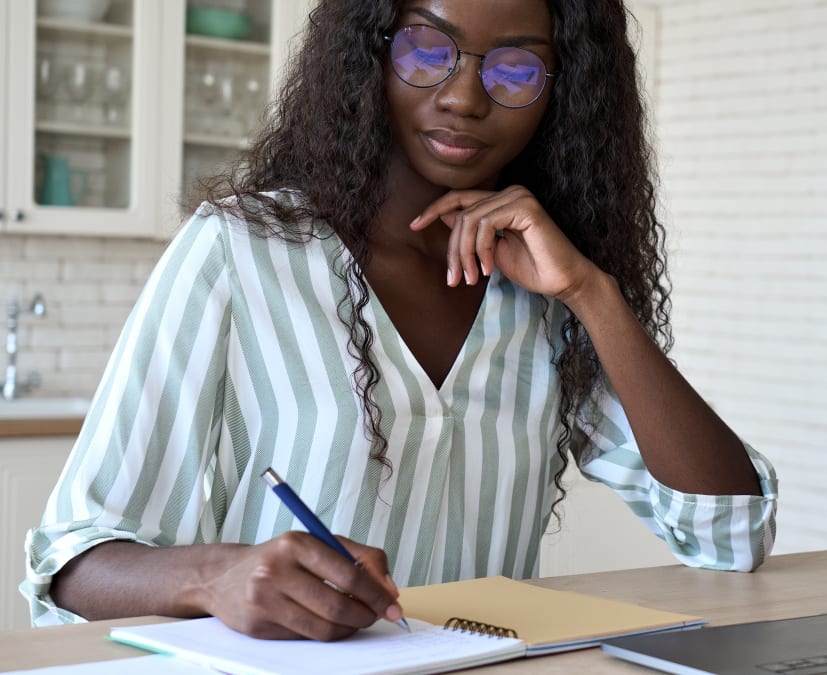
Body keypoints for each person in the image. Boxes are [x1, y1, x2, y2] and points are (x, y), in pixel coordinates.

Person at [23, 0, 778, 641]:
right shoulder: (242, 250)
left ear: (562, 93)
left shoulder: (547, 293)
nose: (465, 98)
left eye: (515, 70)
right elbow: (71, 564)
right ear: (369, 53)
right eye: (427, 49)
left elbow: (729, 534)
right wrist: (217, 573)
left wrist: (592, 293)